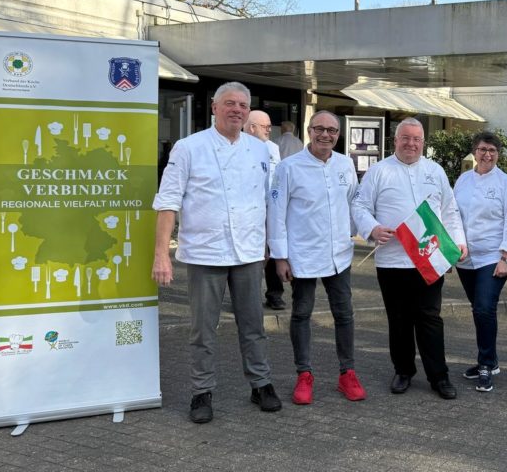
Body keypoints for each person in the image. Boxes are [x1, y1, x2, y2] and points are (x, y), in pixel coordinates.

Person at [152, 81, 281, 424]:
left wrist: (273, 246)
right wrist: (161, 254)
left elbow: (269, 203)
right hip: (205, 254)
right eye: (229, 103)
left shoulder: (260, 151)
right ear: (214, 107)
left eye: (242, 104)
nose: (236, 109)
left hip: (250, 254)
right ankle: (201, 391)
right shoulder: (189, 147)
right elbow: (167, 202)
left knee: (254, 325)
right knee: (202, 329)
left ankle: (261, 383)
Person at [352, 118, 467, 400]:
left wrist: (458, 241)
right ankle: (403, 370)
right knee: (399, 319)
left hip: (430, 257)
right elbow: (359, 205)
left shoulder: (435, 170)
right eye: (405, 138)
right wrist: (373, 228)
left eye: (417, 139)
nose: (411, 144)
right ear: (395, 141)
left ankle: (439, 376)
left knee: (430, 318)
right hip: (392, 261)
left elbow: (449, 209)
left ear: (423, 142)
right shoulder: (379, 171)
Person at [268, 110, 367, 404]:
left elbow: (354, 203)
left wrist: (368, 230)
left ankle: (347, 373)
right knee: (301, 313)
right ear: (309, 131)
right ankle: (304, 374)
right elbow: (276, 213)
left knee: (344, 314)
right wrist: (280, 257)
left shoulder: (345, 164)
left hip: (339, 253)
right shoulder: (289, 167)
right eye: (320, 129)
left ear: (338, 135)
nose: (326, 135)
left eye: (332, 131)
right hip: (303, 254)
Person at [453, 132, 507, 393]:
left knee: (483, 308)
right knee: (478, 309)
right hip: (465, 257)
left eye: (492, 150)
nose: (487, 154)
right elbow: (453, 215)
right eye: (482, 149)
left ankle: (486, 364)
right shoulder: (463, 180)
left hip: (493, 257)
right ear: (474, 151)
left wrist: (506, 257)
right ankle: (489, 360)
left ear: (498, 154)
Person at [245, 110, 285, 310]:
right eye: (265, 126)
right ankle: (245, 299)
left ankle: (274, 295)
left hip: (270, 208)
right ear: (252, 127)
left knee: (273, 252)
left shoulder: (273, 147)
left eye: (270, 126)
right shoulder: (239, 146)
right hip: (246, 210)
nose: (270, 130)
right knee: (248, 256)